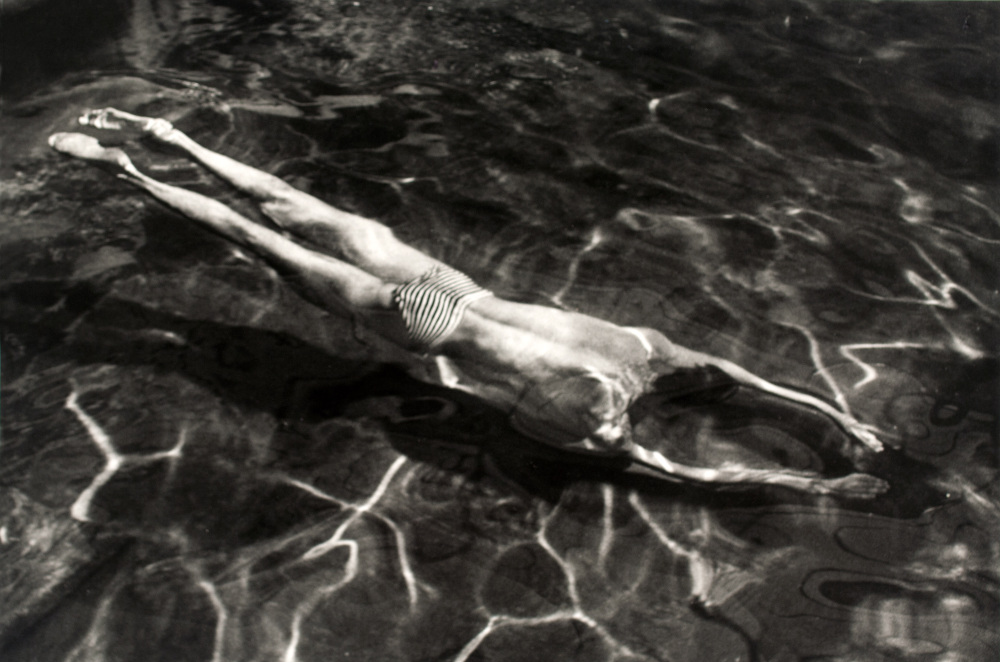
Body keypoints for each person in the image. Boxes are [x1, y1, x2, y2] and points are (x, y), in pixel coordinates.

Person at [49, 108, 888, 499]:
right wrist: (811, 483)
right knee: (263, 244)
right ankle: (124, 169)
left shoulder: (647, 349)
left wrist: (838, 417)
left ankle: (172, 140)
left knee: (301, 211)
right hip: (430, 322)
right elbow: (692, 473)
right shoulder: (596, 425)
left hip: (452, 285)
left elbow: (745, 382)